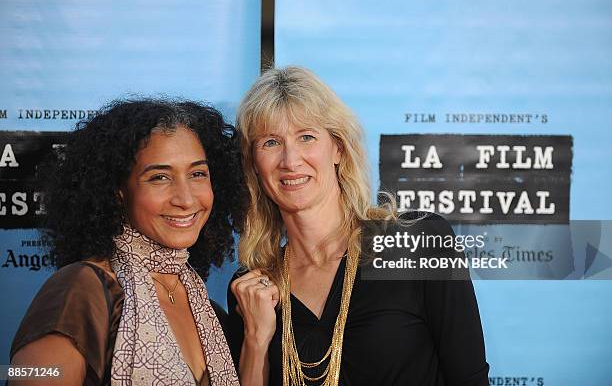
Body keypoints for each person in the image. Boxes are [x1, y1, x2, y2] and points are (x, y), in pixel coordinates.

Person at [228, 66, 490, 386]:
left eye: (306, 136)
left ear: (337, 148)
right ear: (254, 163)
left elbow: (470, 378)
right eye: (270, 142)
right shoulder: (253, 287)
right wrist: (256, 340)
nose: (290, 160)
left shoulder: (418, 242)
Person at [10, 99, 244, 386]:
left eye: (197, 174)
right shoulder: (81, 292)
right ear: (118, 191)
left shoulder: (211, 315)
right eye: (159, 177)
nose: (185, 199)